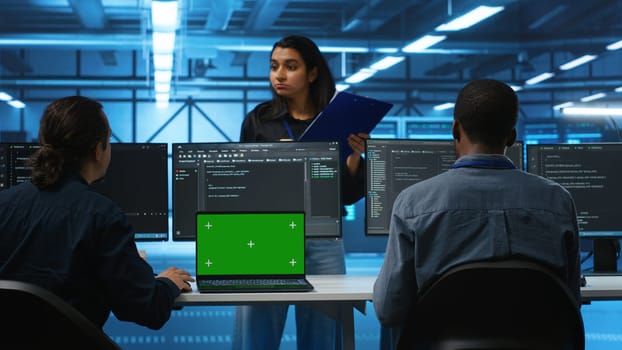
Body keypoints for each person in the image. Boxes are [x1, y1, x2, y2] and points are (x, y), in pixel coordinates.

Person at [373, 79, 581, 339]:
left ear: (455, 129)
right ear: (512, 136)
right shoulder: (557, 200)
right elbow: (570, 299)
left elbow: (387, 310)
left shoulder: (413, 203)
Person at [0, 95, 195, 331]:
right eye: (109, 140)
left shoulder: (5, 203)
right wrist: (167, 283)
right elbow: (145, 309)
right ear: (97, 151)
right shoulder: (103, 216)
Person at [233, 35, 367, 350]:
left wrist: (354, 158)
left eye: (290, 67)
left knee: (323, 337)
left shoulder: (338, 121)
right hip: (267, 236)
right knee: (257, 337)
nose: (279, 74)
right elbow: (239, 184)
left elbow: (346, 197)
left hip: (323, 237)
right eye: (274, 66)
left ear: (312, 73)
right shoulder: (259, 120)